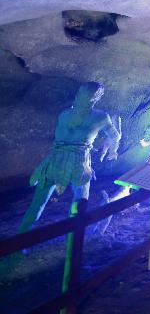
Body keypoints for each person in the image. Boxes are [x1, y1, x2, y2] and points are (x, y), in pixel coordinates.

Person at [19, 82, 121, 233]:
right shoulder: (101, 117)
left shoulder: (64, 115)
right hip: (78, 164)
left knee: (37, 204)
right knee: (80, 204)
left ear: (78, 95)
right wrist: (113, 144)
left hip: (54, 161)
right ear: (97, 97)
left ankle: (19, 243)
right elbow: (115, 136)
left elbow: (63, 138)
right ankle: (74, 242)